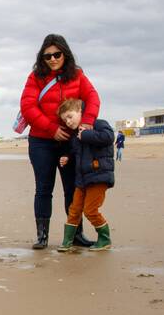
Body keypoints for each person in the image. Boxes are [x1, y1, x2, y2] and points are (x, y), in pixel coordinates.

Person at [19, 34, 101, 249]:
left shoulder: (77, 75)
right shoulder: (35, 77)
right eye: (48, 56)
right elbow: (28, 107)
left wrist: (88, 122)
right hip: (41, 141)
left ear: (65, 54)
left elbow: (93, 98)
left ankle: (76, 234)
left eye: (57, 54)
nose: (53, 59)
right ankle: (42, 237)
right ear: (42, 58)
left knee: (73, 189)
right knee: (43, 189)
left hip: (70, 143)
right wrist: (52, 128)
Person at [54, 99, 115, 251]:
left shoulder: (99, 124)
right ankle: (67, 241)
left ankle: (105, 239)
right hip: (82, 180)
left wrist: (87, 134)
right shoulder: (76, 135)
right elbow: (76, 152)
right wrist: (67, 157)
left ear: (80, 111)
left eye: (70, 116)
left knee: (90, 210)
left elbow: (109, 137)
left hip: (98, 176)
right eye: (64, 120)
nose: (68, 122)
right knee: (74, 209)